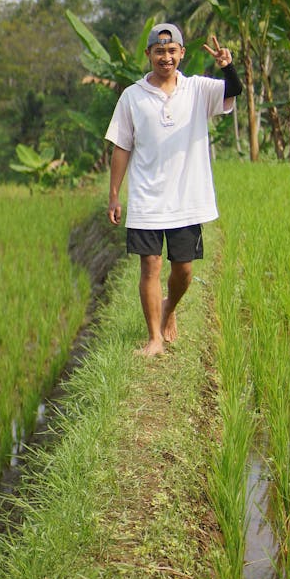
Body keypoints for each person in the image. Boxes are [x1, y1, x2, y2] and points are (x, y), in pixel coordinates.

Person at [105, 22, 242, 357]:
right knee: (149, 265)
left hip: (187, 198)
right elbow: (121, 146)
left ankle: (170, 308)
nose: (165, 57)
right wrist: (113, 194)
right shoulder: (132, 97)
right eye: (158, 51)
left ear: (181, 53)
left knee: (184, 270)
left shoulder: (197, 89)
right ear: (148, 54)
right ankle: (154, 339)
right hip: (146, 199)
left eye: (171, 51)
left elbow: (233, 91)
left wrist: (227, 67)